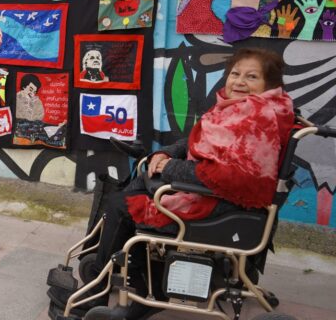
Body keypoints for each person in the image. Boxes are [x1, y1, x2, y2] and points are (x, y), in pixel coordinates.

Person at [53, 48, 295, 317]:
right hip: (216, 196)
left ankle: (102, 291)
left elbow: (232, 177)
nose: (239, 81)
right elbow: (196, 142)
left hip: (221, 205)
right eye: (235, 74)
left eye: (251, 77)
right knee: (136, 189)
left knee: (122, 205)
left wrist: (171, 168)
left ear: (269, 85)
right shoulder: (238, 109)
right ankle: (140, 286)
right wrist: (166, 153)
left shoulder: (256, 119)